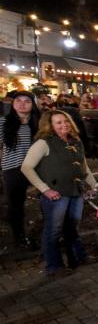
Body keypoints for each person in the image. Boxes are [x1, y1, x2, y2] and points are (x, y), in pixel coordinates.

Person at [21, 110, 98, 276]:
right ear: (50, 125)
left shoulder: (75, 141)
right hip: (55, 194)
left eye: (66, 121)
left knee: (72, 228)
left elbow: (83, 166)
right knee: (53, 230)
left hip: (75, 191)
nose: (64, 124)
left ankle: (78, 258)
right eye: (58, 122)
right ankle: (54, 266)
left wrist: (93, 184)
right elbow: (26, 167)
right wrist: (44, 189)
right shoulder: (43, 143)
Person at [1, 91, 41, 248]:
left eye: (27, 101)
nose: (22, 103)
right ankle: (20, 238)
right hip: (13, 169)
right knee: (15, 205)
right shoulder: (3, 123)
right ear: (13, 104)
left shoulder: (39, 124)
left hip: (37, 169)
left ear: (33, 105)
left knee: (48, 200)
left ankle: (50, 233)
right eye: (18, 100)